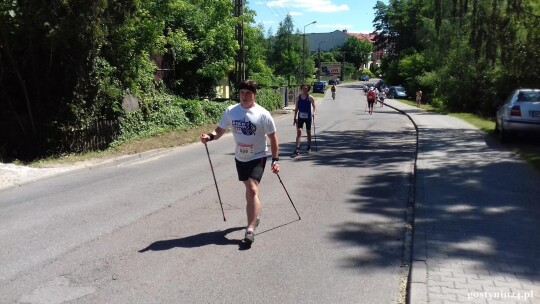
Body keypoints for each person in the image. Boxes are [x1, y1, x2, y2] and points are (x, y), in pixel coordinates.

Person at [200, 79, 279, 245]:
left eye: (248, 93)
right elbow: (220, 130)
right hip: (240, 157)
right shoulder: (231, 111)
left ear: (254, 95)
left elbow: (273, 137)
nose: (245, 96)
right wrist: (210, 136)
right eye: (242, 92)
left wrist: (275, 159)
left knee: (251, 189)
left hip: (258, 156)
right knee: (250, 190)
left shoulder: (263, 114)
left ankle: (250, 229)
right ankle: (254, 215)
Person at [293, 83, 317, 155]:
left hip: (308, 117)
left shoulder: (310, 97)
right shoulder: (298, 98)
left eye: (306, 88)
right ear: (301, 89)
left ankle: (309, 146)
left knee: (308, 132)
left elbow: (314, 106)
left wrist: (314, 113)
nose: (304, 90)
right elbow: (296, 108)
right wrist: (294, 118)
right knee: (299, 132)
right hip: (300, 117)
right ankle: (297, 148)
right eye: (303, 88)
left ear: (308, 89)